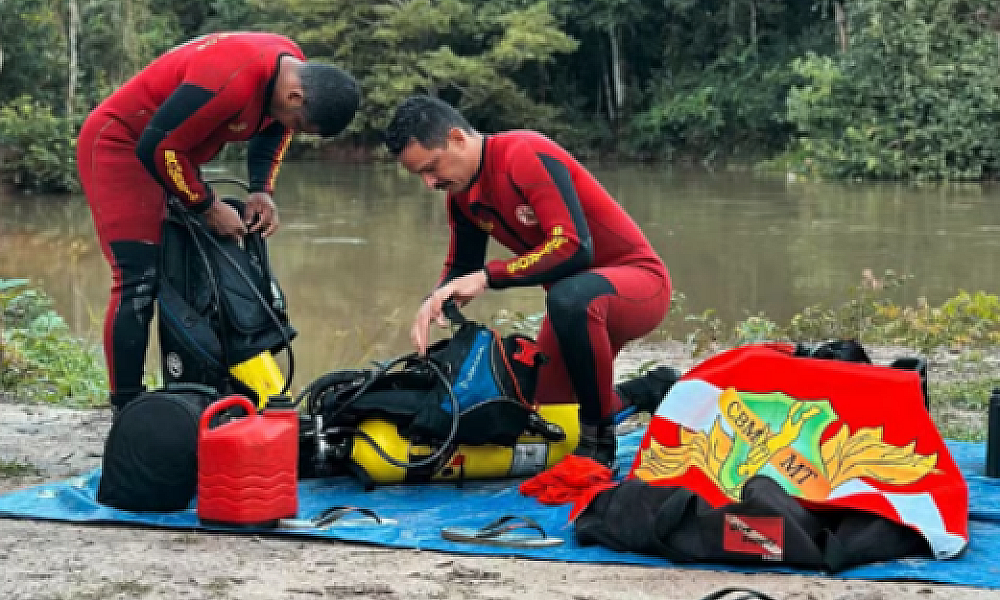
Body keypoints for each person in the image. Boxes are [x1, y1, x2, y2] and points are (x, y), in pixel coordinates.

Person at [383, 95, 672, 467]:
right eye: (419, 175)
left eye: (432, 167)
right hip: (573, 305)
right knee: (548, 412)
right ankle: (652, 388)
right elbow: (461, 266)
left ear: (457, 138)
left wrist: (490, 276)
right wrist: (436, 299)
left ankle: (599, 443)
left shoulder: (523, 153)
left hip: (635, 285)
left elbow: (573, 247)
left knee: (570, 299)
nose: (429, 182)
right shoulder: (460, 196)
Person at [77, 32, 360, 411]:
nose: (294, 130)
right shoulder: (229, 81)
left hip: (173, 151)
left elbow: (275, 128)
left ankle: (193, 388)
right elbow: (155, 147)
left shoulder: (291, 67)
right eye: (301, 123)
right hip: (123, 144)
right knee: (137, 279)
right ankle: (126, 405)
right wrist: (207, 205)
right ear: (295, 97)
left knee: (190, 272)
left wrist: (262, 190)